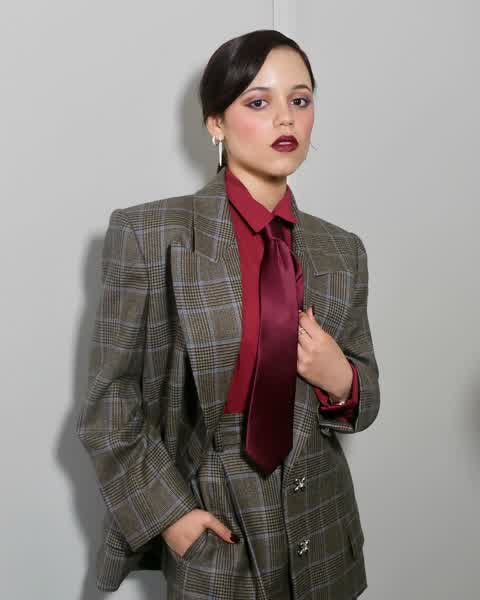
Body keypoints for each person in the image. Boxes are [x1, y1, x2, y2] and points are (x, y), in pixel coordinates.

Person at [76, 29, 380, 600]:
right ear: (216, 122)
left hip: (322, 527)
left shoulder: (342, 251)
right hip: (214, 519)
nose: (285, 118)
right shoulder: (151, 235)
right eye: (258, 102)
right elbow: (110, 405)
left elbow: (364, 400)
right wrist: (172, 517)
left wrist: (341, 378)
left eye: (300, 99)